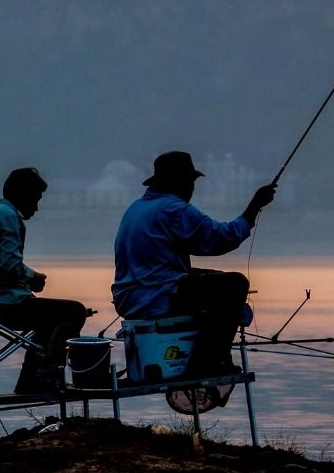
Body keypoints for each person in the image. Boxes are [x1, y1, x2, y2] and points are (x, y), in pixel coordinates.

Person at [112, 150, 275, 377]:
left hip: (130, 299)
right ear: (177, 182)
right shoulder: (173, 209)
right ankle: (210, 361)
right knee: (236, 283)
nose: (192, 189)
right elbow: (220, 239)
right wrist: (254, 207)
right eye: (190, 182)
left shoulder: (136, 208)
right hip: (156, 298)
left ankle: (203, 352)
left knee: (211, 276)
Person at [0, 167, 90, 394]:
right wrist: (34, 277)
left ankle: (29, 381)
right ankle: (49, 375)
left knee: (49, 320)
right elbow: (10, 266)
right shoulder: (8, 217)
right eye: (36, 198)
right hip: (7, 304)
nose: (37, 207)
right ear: (22, 194)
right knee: (75, 311)